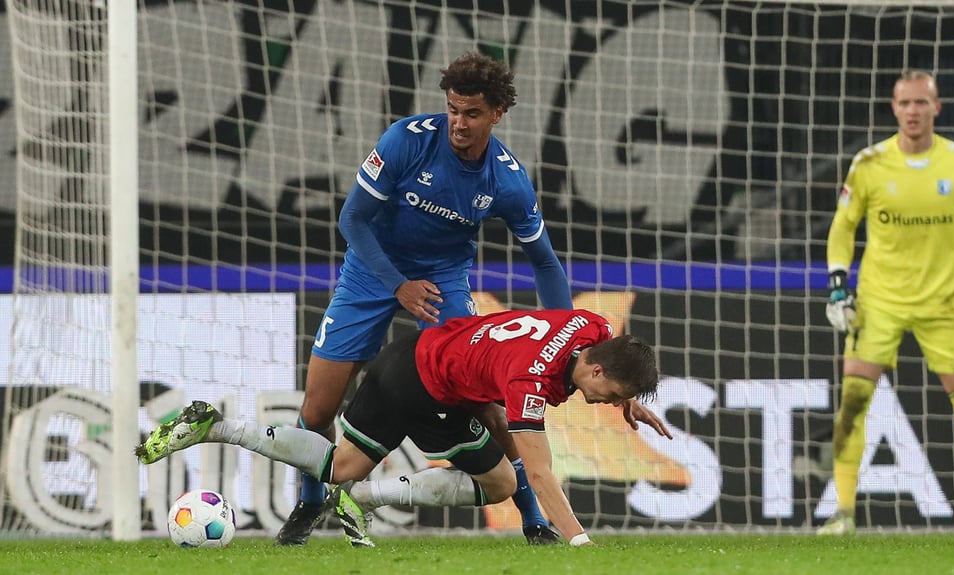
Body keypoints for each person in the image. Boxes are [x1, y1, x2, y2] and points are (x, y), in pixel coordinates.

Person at [282, 51, 578, 546]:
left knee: (485, 399)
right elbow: (352, 220)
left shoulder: (506, 180)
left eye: (473, 114)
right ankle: (311, 504)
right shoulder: (405, 140)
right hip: (372, 270)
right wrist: (398, 284)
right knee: (317, 408)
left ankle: (532, 517)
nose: (459, 124)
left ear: (498, 113)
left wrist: (564, 334)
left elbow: (545, 262)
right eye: (453, 110)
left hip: (443, 281)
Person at [136, 308, 673, 547]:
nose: (608, 402)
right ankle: (369, 498)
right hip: (434, 393)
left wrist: (625, 404)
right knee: (506, 483)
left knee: (339, 464)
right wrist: (580, 542)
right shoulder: (529, 382)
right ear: (597, 369)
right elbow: (541, 471)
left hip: (406, 357)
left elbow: (604, 365)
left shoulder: (594, 328)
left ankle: (217, 427)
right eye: (613, 394)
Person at [818, 70, 954, 537]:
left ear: (937, 108)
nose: (913, 111)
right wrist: (838, 286)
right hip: (879, 303)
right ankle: (843, 513)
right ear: (894, 107)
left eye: (922, 103)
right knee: (853, 404)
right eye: (905, 103)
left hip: (945, 305)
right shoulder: (869, 163)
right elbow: (843, 227)